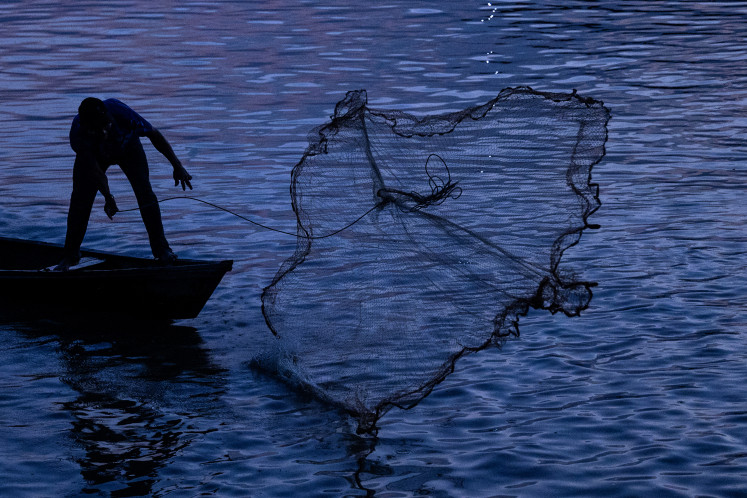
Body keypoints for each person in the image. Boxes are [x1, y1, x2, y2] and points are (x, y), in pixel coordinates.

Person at [55, 97, 193, 271]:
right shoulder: (78, 134)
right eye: (96, 130)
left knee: (145, 193)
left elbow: (154, 134)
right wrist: (108, 197)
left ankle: (162, 250)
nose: (103, 132)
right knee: (80, 200)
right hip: (96, 155)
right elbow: (95, 172)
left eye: (104, 126)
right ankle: (70, 255)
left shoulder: (121, 113)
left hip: (129, 148)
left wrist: (177, 165)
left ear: (107, 117)